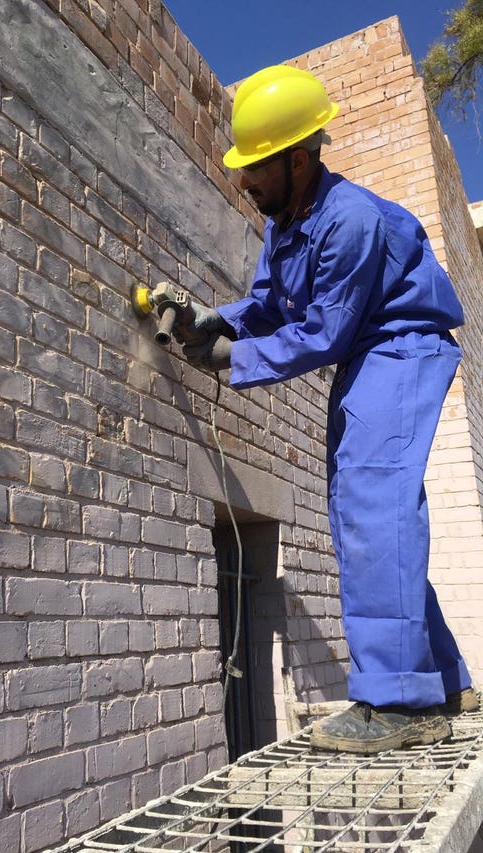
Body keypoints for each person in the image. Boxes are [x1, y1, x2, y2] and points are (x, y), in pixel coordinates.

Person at [181, 64, 478, 753]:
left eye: (256, 168)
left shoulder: (351, 221)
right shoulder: (285, 220)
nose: (245, 182)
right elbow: (266, 307)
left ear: (299, 157)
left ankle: (400, 704)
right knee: (362, 509)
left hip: (401, 346)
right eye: (243, 168)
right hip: (367, 353)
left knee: (374, 500)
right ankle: (446, 679)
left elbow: (323, 332)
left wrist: (232, 359)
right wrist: (213, 320)